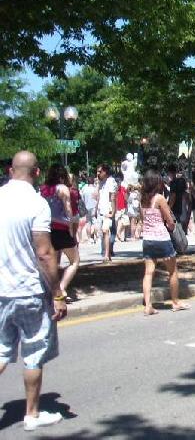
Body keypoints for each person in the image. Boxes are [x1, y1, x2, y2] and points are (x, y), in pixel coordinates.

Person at [0, 151, 67, 431]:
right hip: (28, 290)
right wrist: (57, 292)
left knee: (1, 351)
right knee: (34, 352)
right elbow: (44, 253)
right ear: (36, 172)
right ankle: (31, 414)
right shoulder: (37, 204)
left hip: (1, 290)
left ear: (10, 170)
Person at [139, 169, 189, 316]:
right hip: (161, 238)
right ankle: (175, 301)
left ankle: (148, 305)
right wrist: (171, 226)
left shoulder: (142, 200)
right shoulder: (159, 198)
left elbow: (143, 220)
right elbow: (170, 220)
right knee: (172, 271)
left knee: (148, 273)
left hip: (148, 240)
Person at [39, 164, 80, 302]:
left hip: (46, 228)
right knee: (74, 261)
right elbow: (68, 210)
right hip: (61, 227)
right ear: (62, 176)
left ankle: (51, 290)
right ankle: (61, 287)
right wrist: (71, 228)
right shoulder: (62, 189)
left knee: (53, 262)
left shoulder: (43, 189)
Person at [96, 164, 117, 262]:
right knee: (103, 233)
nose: (98, 173)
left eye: (100, 172)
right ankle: (107, 253)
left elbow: (112, 197)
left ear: (105, 172)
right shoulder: (101, 182)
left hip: (108, 210)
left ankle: (107, 254)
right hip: (101, 210)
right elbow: (98, 197)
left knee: (106, 231)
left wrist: (113, 211)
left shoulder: (111, 181)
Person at [167, 164, 190, 234]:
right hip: (183, 207)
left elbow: (173, 197)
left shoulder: (173, 183)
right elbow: (186, 194)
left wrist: (168, 208)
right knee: (183, 230)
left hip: (175, 209)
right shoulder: (182, 181)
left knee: (176, 231)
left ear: (170, 173)